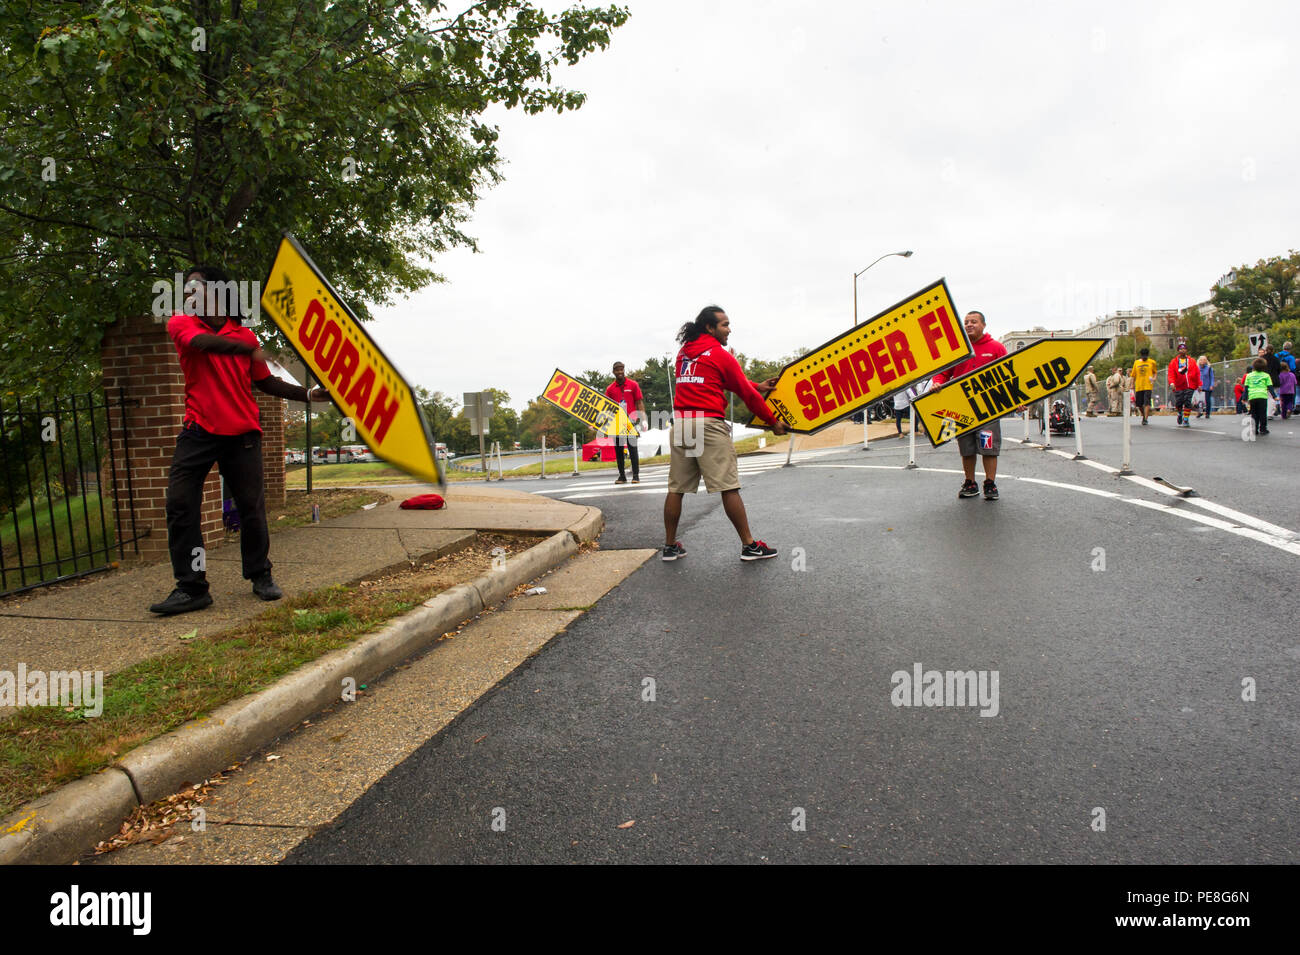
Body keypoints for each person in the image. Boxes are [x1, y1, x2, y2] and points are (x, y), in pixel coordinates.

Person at [149, 266, 329, 615]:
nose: (188, 295)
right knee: (181, 505)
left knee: (251, 508)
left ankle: (260, 576)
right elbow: (201, 344)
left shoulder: (246, 335)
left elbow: (265, 382)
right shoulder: (182, 323)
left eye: (196, 288)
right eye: (186, 290)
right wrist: (246, 350)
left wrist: (307, 393)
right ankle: (192, 587)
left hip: (242, 434)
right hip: (198, 431)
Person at [662, 306, 787, 562]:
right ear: (710, 327)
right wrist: (772, 422)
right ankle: (750, 546)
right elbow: (746, 393)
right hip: (708, 425)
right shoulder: (720, 354)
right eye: (725, 325)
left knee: (676, 489)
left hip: (683, 424)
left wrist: (757, 384)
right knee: (729, 488)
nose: (729, 329)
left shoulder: (684, 353)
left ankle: (670, 546)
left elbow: (719, 379)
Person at [929, 310, 1007, 501]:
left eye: (974, 321)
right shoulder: (957, 350)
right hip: (962, 408)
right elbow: (943, 373)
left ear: (983, 325)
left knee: (989, 448)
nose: (969, 325)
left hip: (988, 409)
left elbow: (1009, 374)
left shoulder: (996, 347)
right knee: (967, 448)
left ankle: (990, 483)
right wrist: (936, 382)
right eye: (966, 322)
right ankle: (969, 482)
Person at [604, 361, 646, 484]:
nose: (620, 372)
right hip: (616, 422)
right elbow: (607, 408)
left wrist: (643, 419)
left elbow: (639, 402)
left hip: (631, 421)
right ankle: (622, 476)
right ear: (613, 372)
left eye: (621, 369)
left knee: (633, 449)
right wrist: (605, 425)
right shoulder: (610, 389)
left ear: (624, 370)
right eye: (617, 370)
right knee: (618, 449)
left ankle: (636, 476)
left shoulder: (633, 385)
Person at [1167, 340, 1201, 427]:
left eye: (1184, 349)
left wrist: (1199, 384)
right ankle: (1179, 413)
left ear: (1186, 350)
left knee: (1187, 401)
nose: (1183, 350)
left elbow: (1197, 373)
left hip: (1190, 385)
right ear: (1178, 350)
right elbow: (1171, 373)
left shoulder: (1192, 361)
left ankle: (1186, 419)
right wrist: (1172, 383)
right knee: (1179, 403)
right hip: (1178, 386)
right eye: (1181, 349)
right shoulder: (1174, 362)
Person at [1244, 357, 1272, 436]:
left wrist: (1244, 398)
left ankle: (1254, 429)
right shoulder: (1266, 375)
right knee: (1262, 413)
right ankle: (1263, 429)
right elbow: (1270, 387)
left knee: (1254, 413)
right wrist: (1274, 396)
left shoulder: (1249, 376)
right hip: (1262, 396)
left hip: (1252, 396)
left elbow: (1246, 388)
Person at [1130, 347, 1158, 425]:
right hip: (1139, 386)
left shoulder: (1152, 362)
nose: (1144, 357)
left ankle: (1145, 418)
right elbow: (1133, 375)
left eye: (1146, 356)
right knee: (1139, 404)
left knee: (1147, 402)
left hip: (1148, 385)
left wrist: (1154, 378)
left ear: (1147, 355)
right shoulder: (1136, 363)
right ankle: (1143, 415)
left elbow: (1155, 372)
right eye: (1143, 356)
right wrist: (1132, 384)